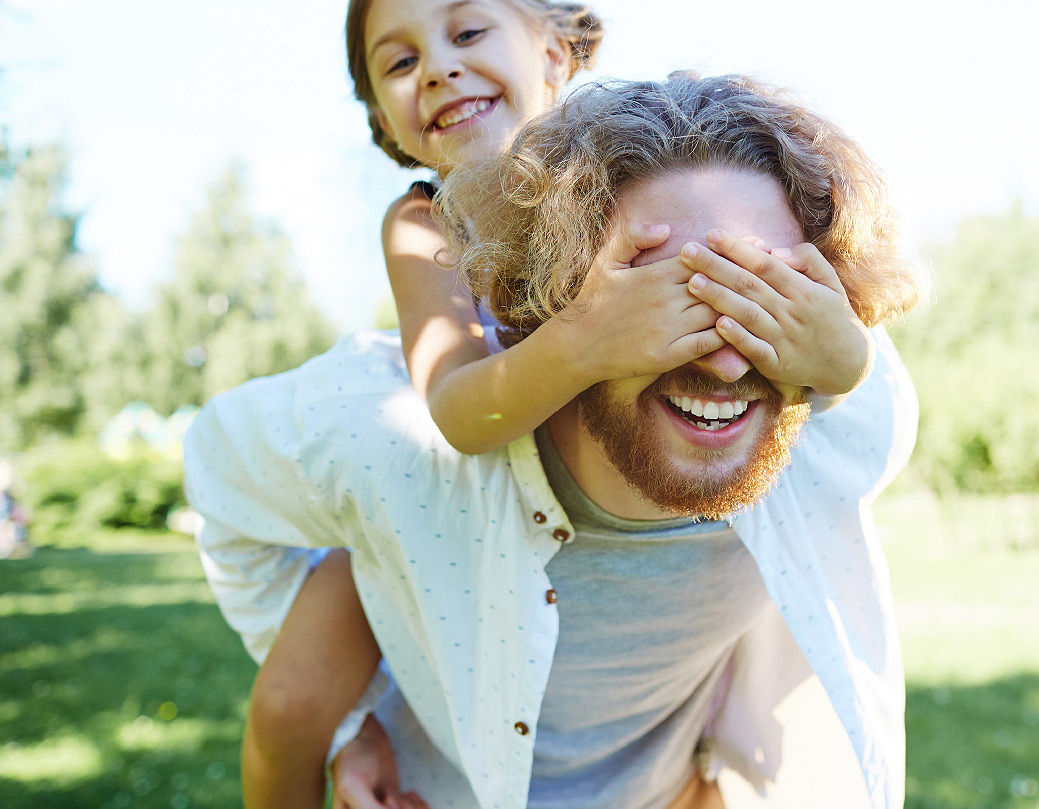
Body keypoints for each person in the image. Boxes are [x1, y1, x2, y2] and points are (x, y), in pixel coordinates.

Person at [185, 72, 922, 809]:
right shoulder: (394, 442)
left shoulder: (838, 422)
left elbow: (864, 374)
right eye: (667, 301)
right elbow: (218, 481)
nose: (727, 361)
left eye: (768, 301)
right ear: (555, 306)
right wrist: (351, 721)